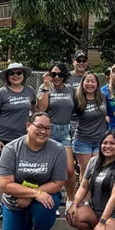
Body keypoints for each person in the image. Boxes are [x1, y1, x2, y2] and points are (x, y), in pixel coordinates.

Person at [0, 112, 68, 230]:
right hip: (16, 200)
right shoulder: (11, 149)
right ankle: (25, 223)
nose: (44, 132)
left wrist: (35, 195)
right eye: (40, 127)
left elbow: (58, 183)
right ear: (28, 126)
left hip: (43, 197)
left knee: (47, 204)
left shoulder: (58, 150)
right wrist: (35, 193)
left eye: (48, 128)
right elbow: (5, 184)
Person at [0, 62, 37, 220]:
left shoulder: (30, 91)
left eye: (19, 73)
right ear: (7, 77)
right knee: (3, 174)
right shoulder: (1, 93)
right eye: (12, 73)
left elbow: (35, 112)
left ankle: (20, 202)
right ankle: (1, 205)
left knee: (22, 172)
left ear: (23, 75)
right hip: (5, 138)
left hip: (24, 138)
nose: (16, 76)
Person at [37, 62, 77, 210]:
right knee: (48, 169)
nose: (56, 77)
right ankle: (50, 201)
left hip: (65, 131)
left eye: (60, 74)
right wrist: (46, 88)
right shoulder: (45, 88)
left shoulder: (70, 90)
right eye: (53, 74)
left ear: (65, 75)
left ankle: (71, 200)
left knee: (69, 169)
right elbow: (41, 108)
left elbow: (78, 107)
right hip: (49, 131)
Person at [72, 72, 108, 172]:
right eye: (87, 81)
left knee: (98, 170)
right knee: (85, 172)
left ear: (97, 84)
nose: (90, 84)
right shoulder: (77, 98)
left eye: (93, 81)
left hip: (100, 140)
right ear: (83, 83)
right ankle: (83, 188)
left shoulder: (102, 97)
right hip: (83, 141)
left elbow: (107, 113)